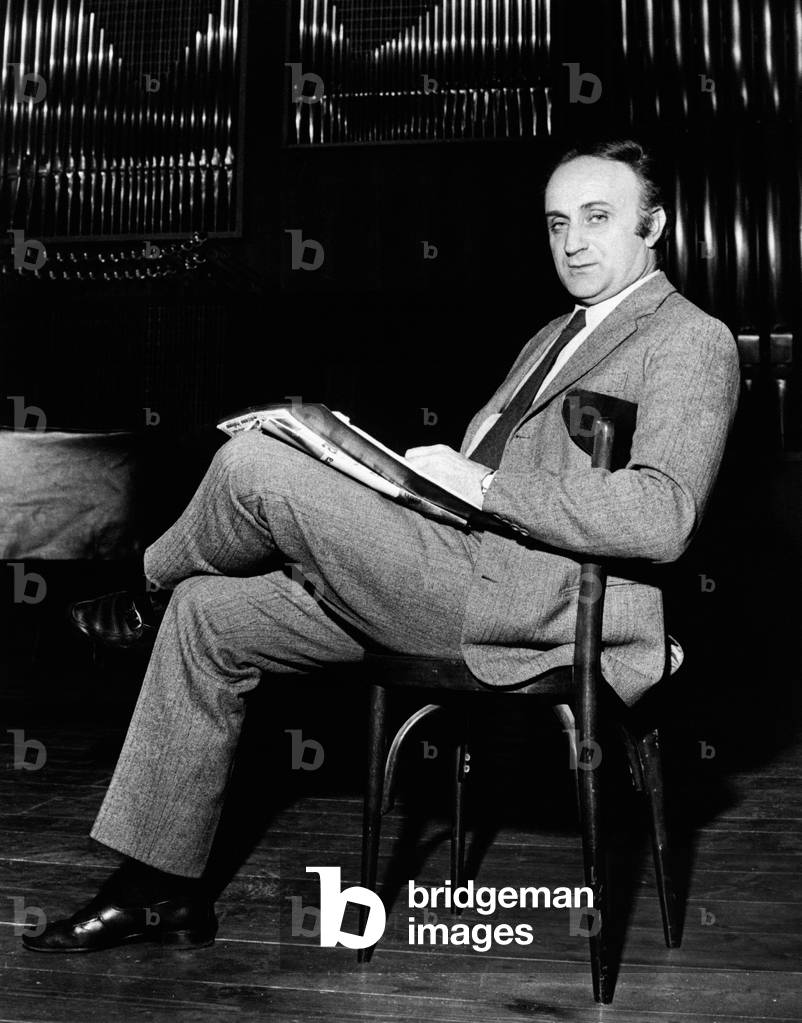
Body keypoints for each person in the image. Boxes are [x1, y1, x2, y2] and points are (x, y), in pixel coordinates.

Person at [23, 139, 740, 953]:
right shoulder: (550, 337)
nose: (572, 240)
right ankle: (159, 890)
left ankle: (141, 585)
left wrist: (484, 489)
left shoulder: (690, 338)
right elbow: (483, 476)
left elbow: (665, 512)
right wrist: (396, 481)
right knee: (209, 612)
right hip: (449, 569)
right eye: (556, 222)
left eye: (598, 217)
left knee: (255, 462)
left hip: (531, 605)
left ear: (654, 225)